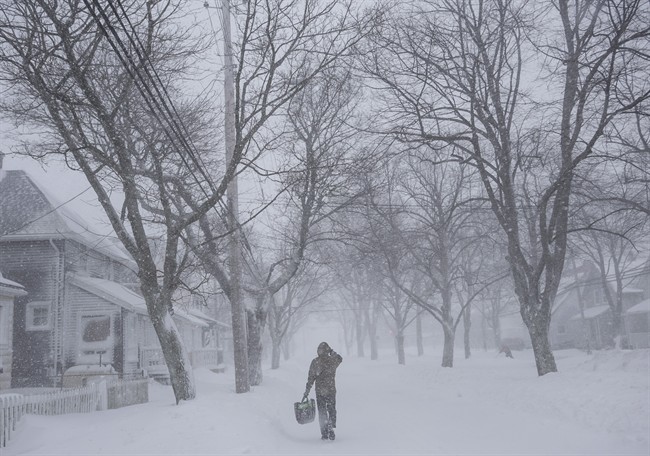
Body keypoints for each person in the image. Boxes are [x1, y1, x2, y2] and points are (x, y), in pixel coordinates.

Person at [303, 342, 343, 440]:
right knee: (332, 409)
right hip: (331, 390)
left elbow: (311, 378)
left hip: (320, 391)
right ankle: (330, 425)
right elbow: (340, 358)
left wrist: (307, 391)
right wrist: (331, 351)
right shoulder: (332, 361)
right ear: (327, 350)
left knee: (322, 412)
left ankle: (324, 432)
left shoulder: (315, 362)